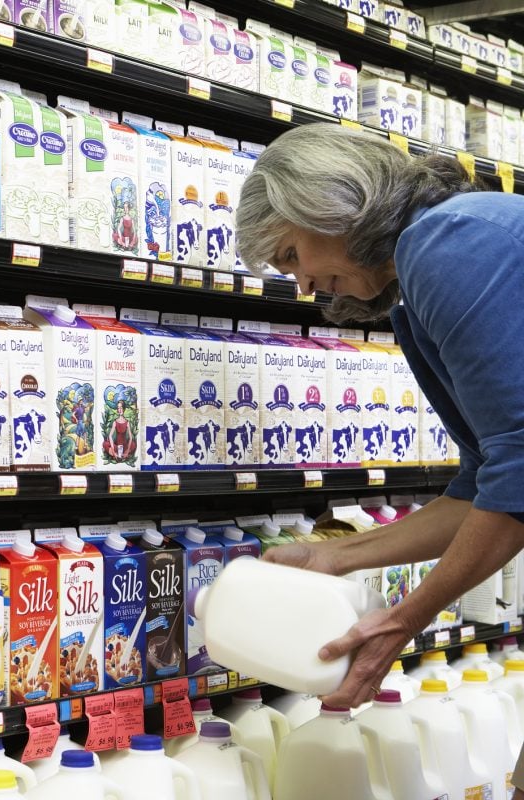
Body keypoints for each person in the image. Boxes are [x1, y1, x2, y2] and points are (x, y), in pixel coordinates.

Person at [237, 122, 524, 797]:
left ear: (331, 203)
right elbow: (483, 484)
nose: (304, 285)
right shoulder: (418, 282)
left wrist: (404, 618)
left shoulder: (449, 244)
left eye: (290, 254)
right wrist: (339, 555)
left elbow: (519, 474)